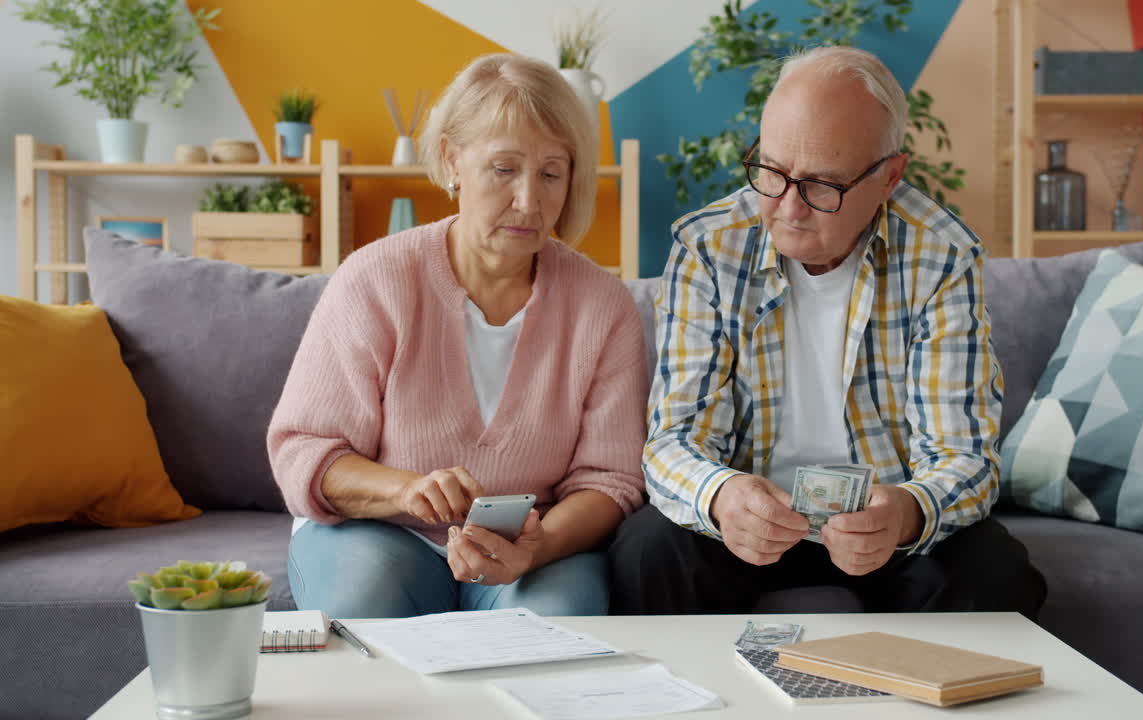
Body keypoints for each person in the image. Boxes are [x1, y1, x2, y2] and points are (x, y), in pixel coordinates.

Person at [610, 46, 1046, 617]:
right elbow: (675, 438)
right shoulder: (709, 247)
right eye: (771, 171)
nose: (788, 209)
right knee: (646, 551)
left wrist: (907, 511)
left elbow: (963, 455)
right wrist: (720, 496)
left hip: (887, 525)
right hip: (745, 522)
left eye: (821, 186)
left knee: (997, 570)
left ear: (889, 177)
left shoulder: (942, 255)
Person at [268, 53, 649, 619]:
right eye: (504, 168)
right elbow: (305, 450)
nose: (529, 201)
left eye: (550, 174)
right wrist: (404, 490)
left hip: (532, 546)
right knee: (364, 603)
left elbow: (610, 480)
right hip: (377, 532)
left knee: (556, 624)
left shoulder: (604, 307)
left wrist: (535, 546)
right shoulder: (375, 280)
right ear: (452, 159)